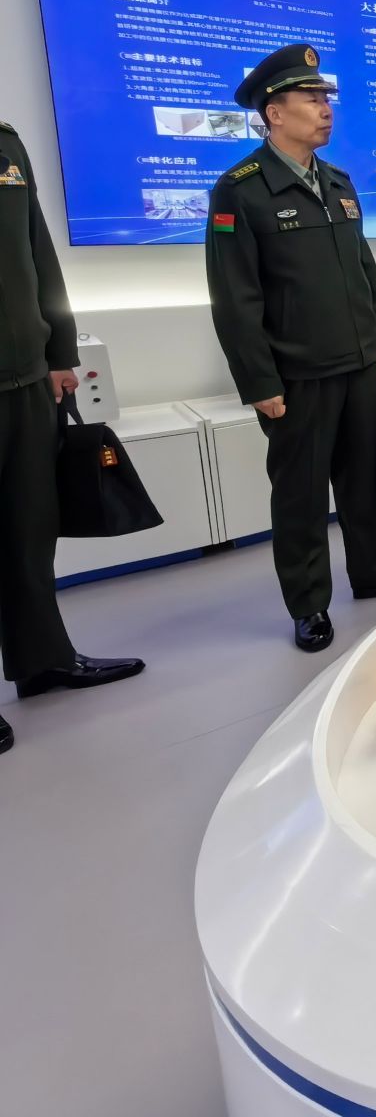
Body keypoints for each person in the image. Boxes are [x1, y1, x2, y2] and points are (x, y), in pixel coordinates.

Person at [205, 44, 376, 652]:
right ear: (273, 113)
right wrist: (260, 382)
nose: (325, 109)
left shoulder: (338, 182)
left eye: (325, 98)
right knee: (301, 495)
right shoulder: (241, 190)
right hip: (298, 374)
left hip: (359, 364)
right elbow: (235, 298)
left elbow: (364, 269)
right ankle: (309, 602)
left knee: (362, 482)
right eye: (310, 99)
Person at [0, 119, 145, 753]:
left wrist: (60, 351)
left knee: (29, 531)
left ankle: (43, 661)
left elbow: (38, 252)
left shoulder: (5, 143)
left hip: (26, 379)